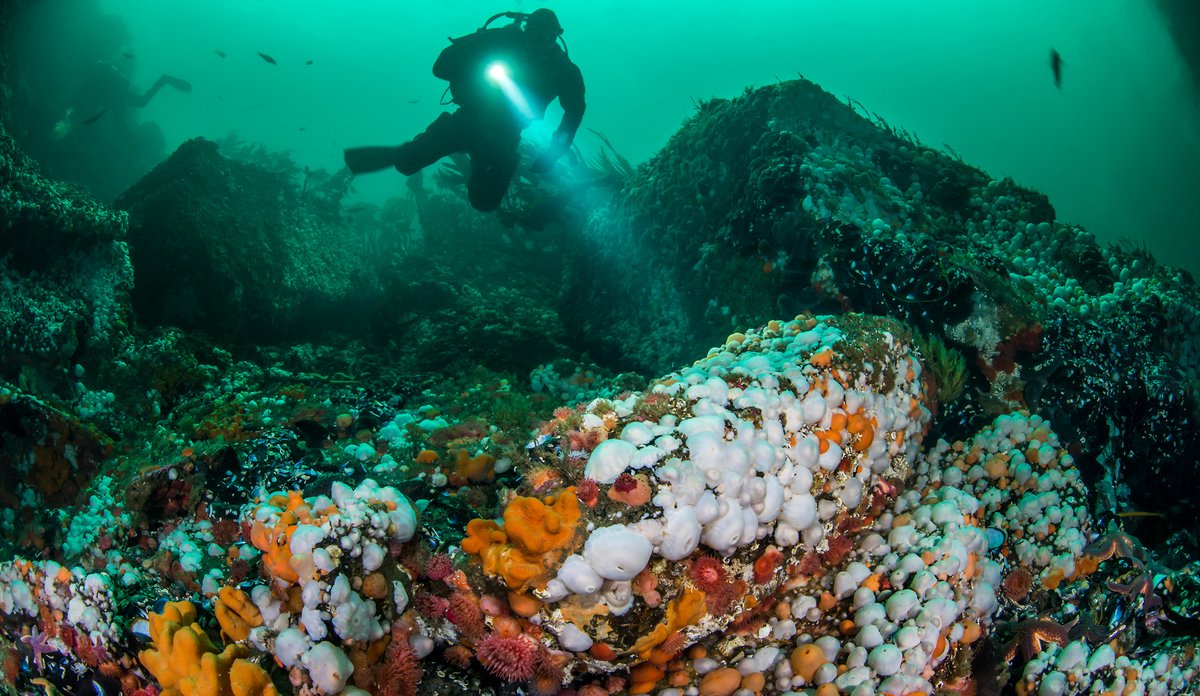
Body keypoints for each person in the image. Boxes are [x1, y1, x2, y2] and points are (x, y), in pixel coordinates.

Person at [344, 9, 585, 212]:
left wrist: (555, 150)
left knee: (484, 204)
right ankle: (415, 147)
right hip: (467, 120)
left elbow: (575, 111)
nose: (539, 44)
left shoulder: (564, 70)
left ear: (556, 37)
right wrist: (480, 42)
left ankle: (489, 164)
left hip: (504, 136)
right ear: (526, 30)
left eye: (547, 37)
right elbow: (440, 68)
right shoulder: (500, 41)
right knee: (406, 164)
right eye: (534, 35)